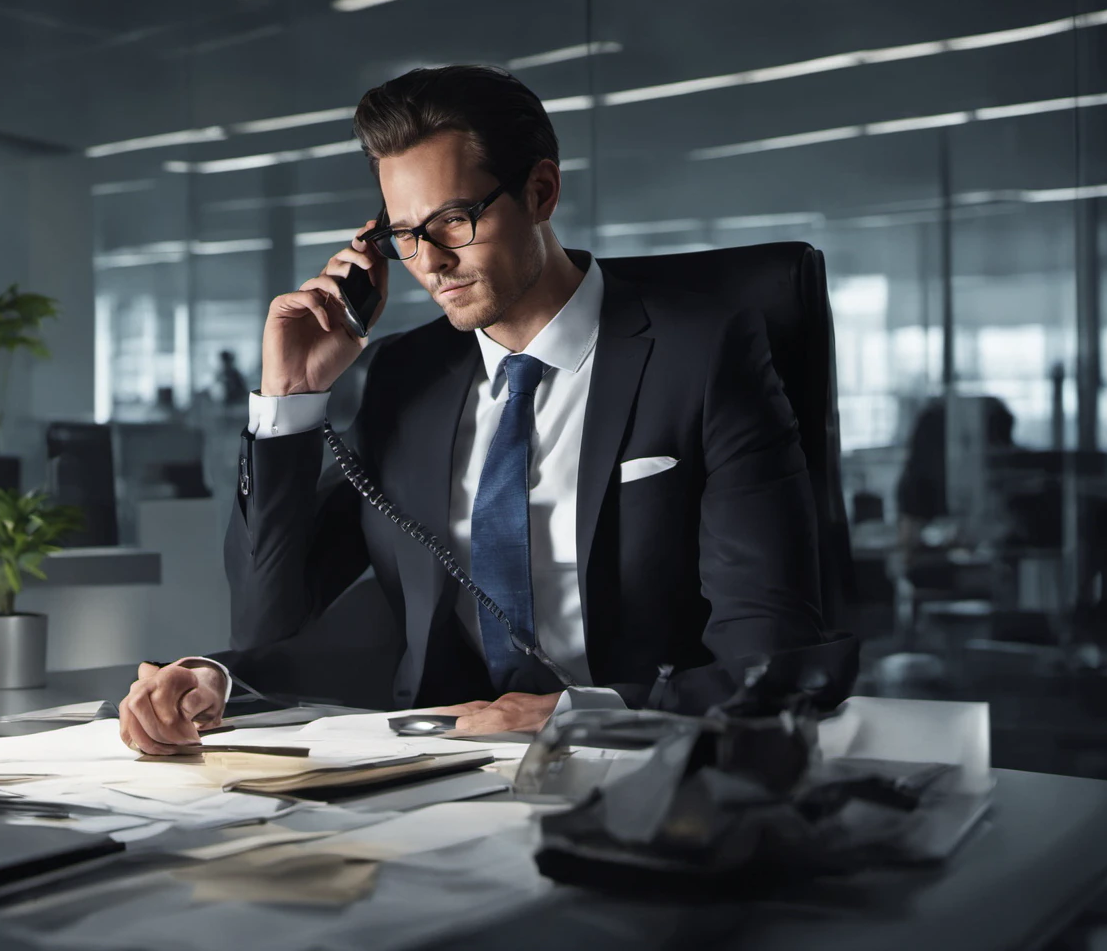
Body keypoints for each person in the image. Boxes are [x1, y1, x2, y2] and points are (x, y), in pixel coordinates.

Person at [119, 65, 852, 756]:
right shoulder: (407, 376)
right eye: (404, 235)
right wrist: (292, 401)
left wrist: (575, 715)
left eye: (453, 220)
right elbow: (270, 620)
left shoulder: (701, 355)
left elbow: (768, 662)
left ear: (540, 193)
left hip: (645, 770)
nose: (430, 262)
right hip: (441, 770)